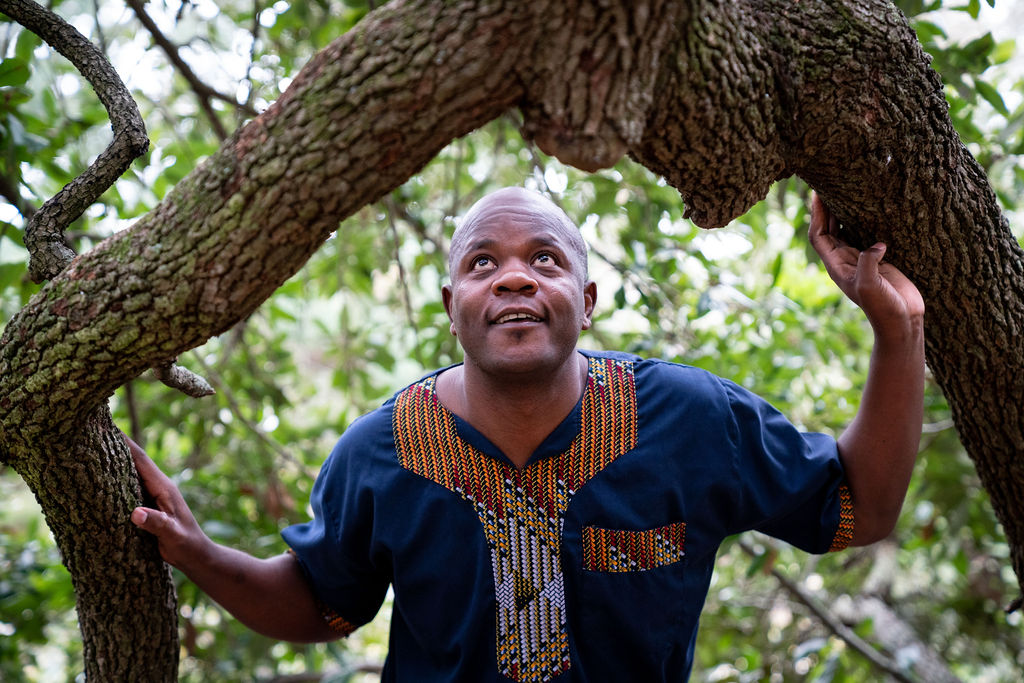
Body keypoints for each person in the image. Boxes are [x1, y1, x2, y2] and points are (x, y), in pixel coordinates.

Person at [127, 187, 925, 682]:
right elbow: (323, 604)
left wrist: (899, 330)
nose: (514, 276)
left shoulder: (689, 418)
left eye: (544, 259)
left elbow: (858, 506)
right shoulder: (382, 450)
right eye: (483, 263)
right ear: (450, 305)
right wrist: (201, 554)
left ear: (588, 298)